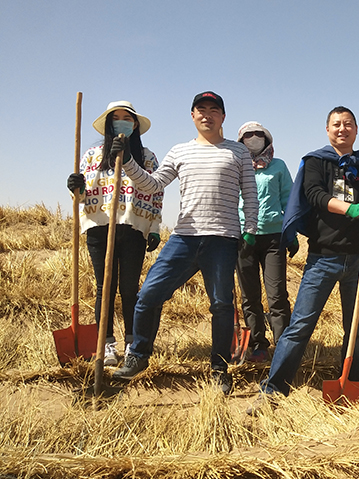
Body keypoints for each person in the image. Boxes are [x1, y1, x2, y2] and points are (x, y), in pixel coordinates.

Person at [111, 91, 258, 395]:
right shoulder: (180, 151)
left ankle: (219, 369)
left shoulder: (238, 152)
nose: (207, 115)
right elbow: (152, 185)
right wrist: (126, 161)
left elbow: (250, 194)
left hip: (222, 239)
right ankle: (138, 355)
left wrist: (251, 230)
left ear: (223, 117)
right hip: (184, 238)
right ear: (192, 116)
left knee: (221, 304)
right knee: (148, 295)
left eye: (214, 110)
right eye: (201, 109)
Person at [249, 106, 359, 404]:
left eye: (348, 124)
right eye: (336, 124)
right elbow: (315, 195)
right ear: (327, 130)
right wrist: (351, 209)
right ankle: (274, 388)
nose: (342, 129)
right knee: (300, 325)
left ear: (356, 130)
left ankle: (352, 383)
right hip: (324, 257)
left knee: (358, 329)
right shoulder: (315, 161)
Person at [66, 100, 162, 367]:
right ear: (109, 124)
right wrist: (75, 187)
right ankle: (106, 343)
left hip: (133, 227)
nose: (122, 123)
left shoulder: (147, 157)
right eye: (116, 118)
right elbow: (82, 194)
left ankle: (132, 342)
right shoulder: (93, 155)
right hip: (100, 226)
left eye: (127, 118)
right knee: (104, 287)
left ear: (135, 125)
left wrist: (154, 228)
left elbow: (156, 192)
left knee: (130, 288)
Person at [235, 121, 296, 363]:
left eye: (257, 134)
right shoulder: (236, 165)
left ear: (266, 139)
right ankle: (258, 344)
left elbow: (288, 199)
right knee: (250, 296)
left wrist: (291, 233)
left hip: (273, 237)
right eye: (247, 135)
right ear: (241, 141)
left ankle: (283, 345)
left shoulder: (278, 166)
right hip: (243, 237)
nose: (253, 138)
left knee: (277, 294)